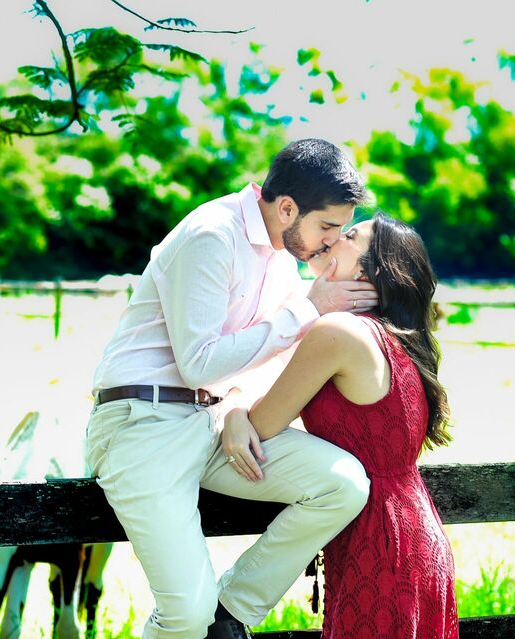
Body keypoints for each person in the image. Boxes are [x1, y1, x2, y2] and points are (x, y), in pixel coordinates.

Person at [85, 139, 379, 639]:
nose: (331, 242)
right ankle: (203, 618)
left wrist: (240, 405)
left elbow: (269, 354)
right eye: (327, 227)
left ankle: (231, 612)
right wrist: (310, 308)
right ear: (287, 208)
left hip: (214, 424)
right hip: (143, 425)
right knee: (185, 613)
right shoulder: (212, 234)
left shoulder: (281, 259)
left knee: (343, 485)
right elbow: (199, 363)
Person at [222, 212, 458, 639]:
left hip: (381, 544)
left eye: (349, 236)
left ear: (370, 272)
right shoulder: (393, 338)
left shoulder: (338, 333)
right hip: (415, 535)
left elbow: (264, 424)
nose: (331, 239)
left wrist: (234, 407)